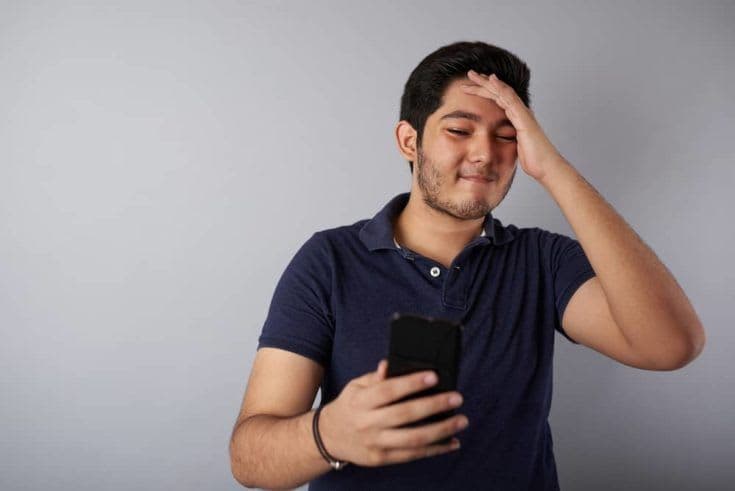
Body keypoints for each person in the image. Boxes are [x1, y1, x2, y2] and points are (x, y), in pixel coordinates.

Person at [229, 41, 705, 490]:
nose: (485, 153)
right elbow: (249, 457)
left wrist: (552, 169)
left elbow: (671, 345)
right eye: (459, 130)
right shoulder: (329, 260)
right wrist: (328, 434)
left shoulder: (543, 260)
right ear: (409, 140)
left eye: (507, 136)